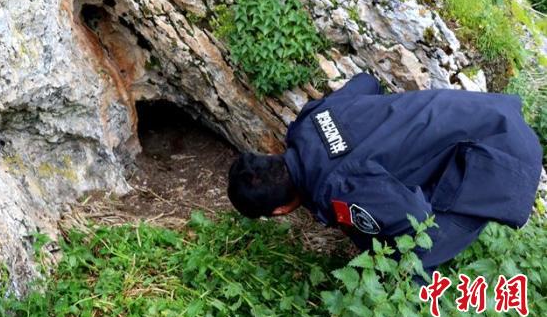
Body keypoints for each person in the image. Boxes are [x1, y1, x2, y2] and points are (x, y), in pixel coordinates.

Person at [227, 73, 543, 270]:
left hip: (502, 157)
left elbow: (416, 219)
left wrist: (364, 229)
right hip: (488, 112)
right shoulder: (308, 122)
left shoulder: (338, 190)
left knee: (413, 252)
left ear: (280, 210)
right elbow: (367, 82)